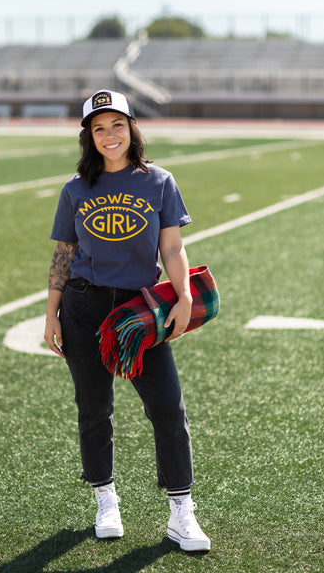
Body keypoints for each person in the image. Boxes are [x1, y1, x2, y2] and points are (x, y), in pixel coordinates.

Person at [44, 89, 210, 552]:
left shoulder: (159, 182)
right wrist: (51, 313)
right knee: (94, 409)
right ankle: (105, 499)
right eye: (99, 128)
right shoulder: (75, 190)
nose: (109, 135)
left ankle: (181, 511)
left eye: (117, 125)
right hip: (83, 306)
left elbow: (173, 247)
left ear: (132, 129)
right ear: (89, 138)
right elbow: (64, 254)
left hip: (140, 310)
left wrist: (182, 296)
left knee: (167, 406)